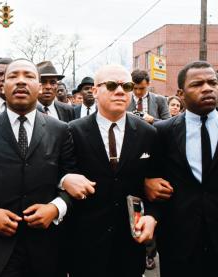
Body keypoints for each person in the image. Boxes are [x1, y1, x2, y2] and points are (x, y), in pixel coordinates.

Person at [0, 58, 76, 277]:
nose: (21, 81)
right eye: (13, 76)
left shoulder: (60, 130)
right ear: (2, 86)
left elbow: (71, 180)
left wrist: (55, 208)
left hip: (48, 249)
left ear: (39, 86)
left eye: (29, 76)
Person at [64, 64, 157, 277]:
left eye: (127, 86)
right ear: (95, 91)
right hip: (85, 244)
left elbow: (153, 185)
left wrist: (151, 216)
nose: (120, 91)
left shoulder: (148, 133)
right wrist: (65, 179)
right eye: (112, 85)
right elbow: (61, 173)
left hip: (130, 245)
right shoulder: (73, 131)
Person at [145, 61, 218, 277]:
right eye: (198, 84)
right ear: (180, 93)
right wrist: (146, 183)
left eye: (212, 82)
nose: (207, 88)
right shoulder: (163, 131)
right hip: (179, 240)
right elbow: (152, 174)